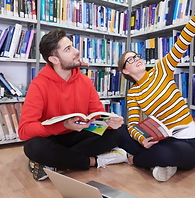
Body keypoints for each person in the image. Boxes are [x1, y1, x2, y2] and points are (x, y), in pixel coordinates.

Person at [117, 0, 195, 182]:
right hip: (160, 139)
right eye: (131, 60)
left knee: (167, 154)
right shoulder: (134, 93)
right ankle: (152, 161)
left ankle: (135, 160)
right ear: (125, 71)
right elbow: (132, 125)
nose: (137, 59)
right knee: (119, 131)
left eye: (137, 56)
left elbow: (185, 38)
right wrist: (142, 138)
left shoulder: (161, 69)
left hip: (185, 141)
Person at [18, 29, 127, 181]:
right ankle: (93, 161)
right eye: (68, 49)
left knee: (119, 133)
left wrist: (109, 122)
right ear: (54, 59)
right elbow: (24, 131)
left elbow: (97, 115)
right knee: (33, 147)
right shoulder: (38, 84)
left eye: (73, 46)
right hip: (52, 136)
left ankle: (52, 162)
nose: (77, 51)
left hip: (79, 133)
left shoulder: (85, 81)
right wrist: (62, 126)